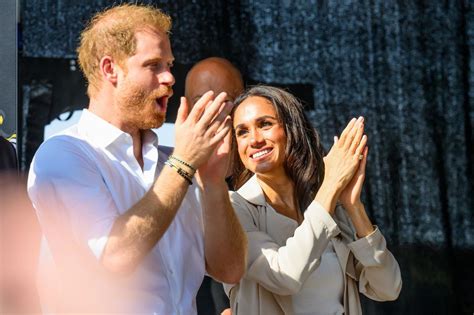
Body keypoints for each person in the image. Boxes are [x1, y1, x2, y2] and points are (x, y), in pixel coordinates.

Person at [27, 4, 247, 314]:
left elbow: (229, 270)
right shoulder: (64, 155)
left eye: (169, 64)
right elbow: (115, 256)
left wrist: (213, 183)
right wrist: (184, 163)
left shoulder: (171, 164)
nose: (170, 77)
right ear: (109, 69)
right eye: (154, 65)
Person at [225, 85, 401, 314]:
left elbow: (388, 288)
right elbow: (284, 276)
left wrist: (353, 207)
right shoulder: (235, 207)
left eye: (265, 124)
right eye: (242, 132)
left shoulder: (327, 205)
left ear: (292, 129)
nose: (254, 139)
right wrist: (329, 188)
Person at [185, 57, 244, 315]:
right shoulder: (170, 178)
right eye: (201, 101)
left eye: (223, 100)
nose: (213, 111)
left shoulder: (268, 173)